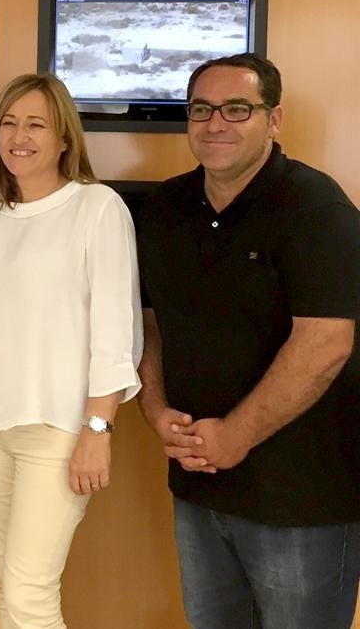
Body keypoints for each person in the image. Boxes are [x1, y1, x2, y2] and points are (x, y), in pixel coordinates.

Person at [137, 52, 360, 628]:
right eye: (201, 109)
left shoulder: (316, 207)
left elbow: (327, 342)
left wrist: (236, 435)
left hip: (302, 498)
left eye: (237, 109)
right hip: (199, 485)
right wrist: (155, 408)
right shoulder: (164, 209)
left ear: (274, 119)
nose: (216, 124)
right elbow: (151, 323)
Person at [0, 73, 142, 629]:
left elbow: (115, 329)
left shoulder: (97, 207)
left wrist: (98, 430)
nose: (19, 136)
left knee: (29, 592)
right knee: (9, 585)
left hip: (58, 430)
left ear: (64, 138)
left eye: (36, 124)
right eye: (8, 123)